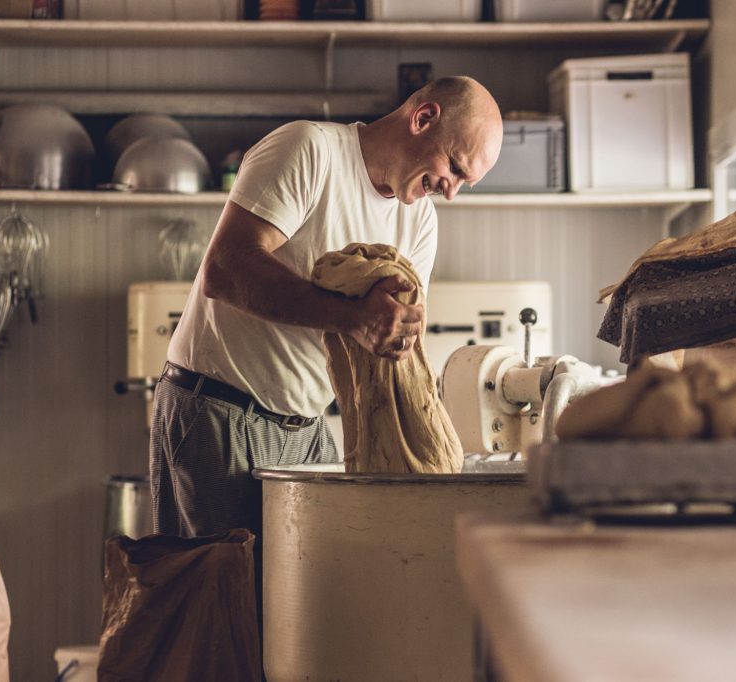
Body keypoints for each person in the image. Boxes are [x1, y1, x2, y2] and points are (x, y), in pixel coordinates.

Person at [149, 76, 503, 538]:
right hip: (219, 410)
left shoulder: (419, 221)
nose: (451, 190)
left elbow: (388, 329)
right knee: (216, 600)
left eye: (465, 183)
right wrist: (354, 318)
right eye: (454, 168)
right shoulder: (310, 151)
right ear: (423, 118)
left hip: (307, 426)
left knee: (297, 600)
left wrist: (396, 330)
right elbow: (226, 268)